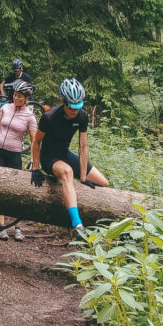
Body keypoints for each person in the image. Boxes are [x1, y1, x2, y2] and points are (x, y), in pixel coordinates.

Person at [30, 77, 109, 241]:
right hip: (49, 157)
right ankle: (77, 225)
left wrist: (83, 176)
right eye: (71, 107)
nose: (75, 111)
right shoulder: (49, 116)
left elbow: (82, 147)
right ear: (62, 101)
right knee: (67, 172)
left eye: (78, 107)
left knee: (103, 182)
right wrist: (35, 169)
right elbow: (36, 141)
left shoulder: (82, 116)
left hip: (65, 154)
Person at [0, 79, 37, 242]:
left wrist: (33, 160)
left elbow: (35, 141)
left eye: (20, 96)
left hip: (14, 153)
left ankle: (17, 227)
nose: (16, 98)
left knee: (16, 191)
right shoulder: (5, 108)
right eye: (15, 95)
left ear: (26, 98)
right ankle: (1, 225)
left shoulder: (30, 116)